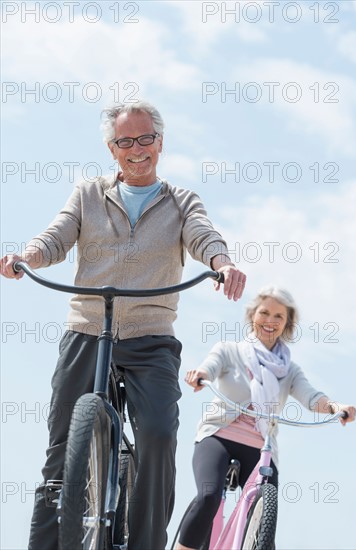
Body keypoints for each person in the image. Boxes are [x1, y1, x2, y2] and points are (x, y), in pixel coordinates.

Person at [0, 101, 246, 550]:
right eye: (125, 141)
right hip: (87, 331)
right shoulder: (88, 194)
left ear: (161, 142)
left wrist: (222, 263)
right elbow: (56, 236)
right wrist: (25, 257)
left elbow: (203, 235)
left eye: (146, 138)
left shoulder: (181, 201)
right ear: (111, 149)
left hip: (150, 338)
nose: (137, 149)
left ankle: (147, 543)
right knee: (62, 445)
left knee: (156, 433)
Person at [176, 285, 356, 550]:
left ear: (287, 323)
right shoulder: (230, 350)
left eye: (278, 316)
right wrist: (200, 375)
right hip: (218, 436)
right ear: (252, 316)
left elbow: (311, 396)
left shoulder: (289, 370)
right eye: (264, 313)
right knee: (208, 496)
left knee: (265, 522)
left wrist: (334, 406)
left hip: (261, 446)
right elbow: (210, 367)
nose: (270, 321)